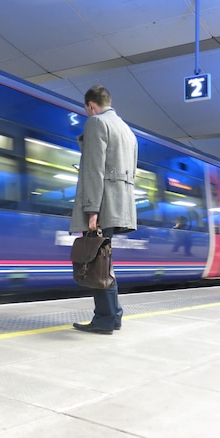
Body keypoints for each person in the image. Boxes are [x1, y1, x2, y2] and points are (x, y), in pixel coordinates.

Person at [70, 85, 138, 335]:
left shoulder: (96, 123)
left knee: (97, 261)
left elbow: (95, 169)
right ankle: (113, 315)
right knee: (104, 261)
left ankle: (105, 318)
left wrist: (92, 210)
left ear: (90, 106)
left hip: (102, 205)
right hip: (120, 205)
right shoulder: (128, 131)